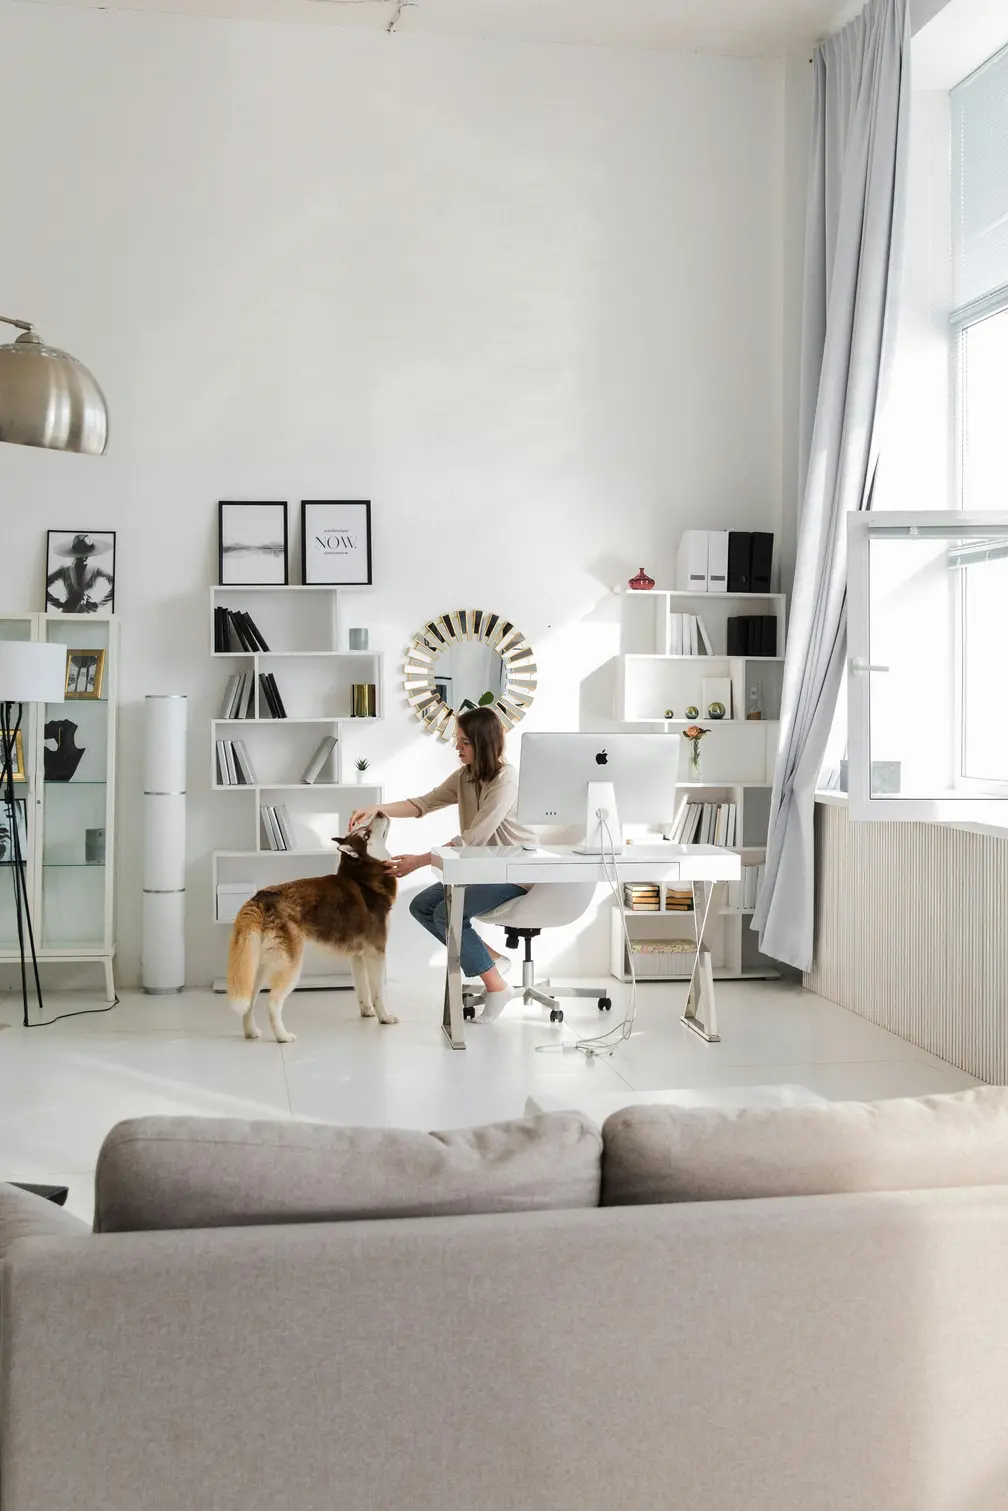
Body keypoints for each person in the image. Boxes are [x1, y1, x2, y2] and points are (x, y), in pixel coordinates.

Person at [349, 706, 533, 1021]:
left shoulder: (507, 780)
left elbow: (473, 839)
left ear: (482, 743)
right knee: (422, 906)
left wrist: (419, 861)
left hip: (514, 871)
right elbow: (423, 803)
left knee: (447, 911)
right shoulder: (466, 776)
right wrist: (375, 809)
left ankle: (496, 986)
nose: (457, 748)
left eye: (463, 742)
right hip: (482, 868)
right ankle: (491, 960)